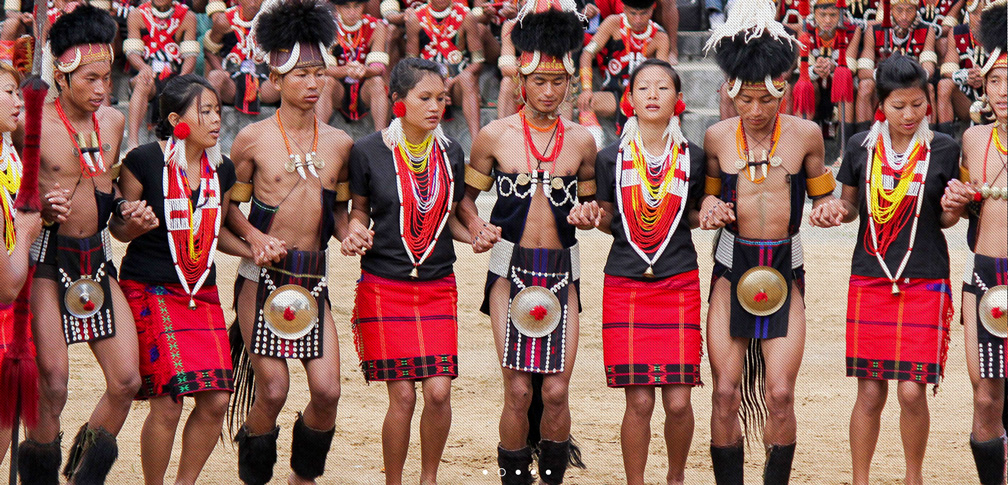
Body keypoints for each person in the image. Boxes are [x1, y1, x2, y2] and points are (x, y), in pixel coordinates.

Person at [455, 0, 597, 482]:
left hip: (564, 273)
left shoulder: (582, 141)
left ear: (569, 82)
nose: (550, 91)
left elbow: (594, 206)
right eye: (540, 81)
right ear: (521, 80)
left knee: (556, 391)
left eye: (559, 81)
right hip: (508, 271)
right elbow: (465, 202)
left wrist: (589, 213)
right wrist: (477, 228)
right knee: (517, 389)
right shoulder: (493, 136)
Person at [700, 0, 838, 481]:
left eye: (765, 99)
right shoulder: (716, 138)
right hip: (729, 268)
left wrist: (827, 210)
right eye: (745, 100)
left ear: (783, 89)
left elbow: (824, 196)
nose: (755, 110)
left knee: (780, 392)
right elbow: (706, 202)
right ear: (730, 93)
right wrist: (710, 210)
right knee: (723, 392)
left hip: (786, 268)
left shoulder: (807, 136)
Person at [18, 5, 156, 483]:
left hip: (97, 261)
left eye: (107, 77)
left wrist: (127, 216)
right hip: (43, 263)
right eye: (90, 79)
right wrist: (33, 207)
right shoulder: (29, 123)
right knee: (52, 387)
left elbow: (106, 196)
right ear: (61, 73)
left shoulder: (114, 123)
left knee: (126, 381)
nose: (101, 89)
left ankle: (83, 475)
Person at [812, 54, 962, 485]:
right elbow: (851, 207)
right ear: (881, 104)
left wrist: (955, 207)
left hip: (926, 275)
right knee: (870, 390)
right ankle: (861, 479)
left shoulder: (945, 150)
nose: (909, 115)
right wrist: (831, 212)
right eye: (898, 106)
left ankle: (913, 478)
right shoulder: (860, 146)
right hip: (871, 278)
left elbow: (946, 218)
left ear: (928, 101)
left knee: (913, 390)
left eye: (918, 104)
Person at [224, 0, 352, 483]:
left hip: (313, 282)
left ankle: (304, 475)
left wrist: (349, 232)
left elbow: (338, 212)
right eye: (300, 74)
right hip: (260, 280)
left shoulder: (340, 144)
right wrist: (255, 238)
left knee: (328, 392)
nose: (313, 84)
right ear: (275, 80)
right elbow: (227, 212)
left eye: (319, 73)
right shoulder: (252, 139)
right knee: (273, 390)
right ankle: (254, 473)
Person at [117, 74, 250, 485]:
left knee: (215, 399)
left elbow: (219, 229)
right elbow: (119, 228)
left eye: (217, 111)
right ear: (176, 119)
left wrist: (253, 247)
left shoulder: (221, 168)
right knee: (169, 402)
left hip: (200, 292)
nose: (215, 120)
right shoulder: (142, 160)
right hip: (149, 288)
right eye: (204, 111)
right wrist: (133, 224)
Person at [582, 58, 706, 485]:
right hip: (625, 283)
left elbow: (687, 215)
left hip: (678, 282)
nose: (653, 95)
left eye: (663, 88)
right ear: (628, 99)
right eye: (643, 88)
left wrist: (709, 210)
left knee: (678, 403)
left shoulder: (696, 157)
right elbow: (609, 217)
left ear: (679, 99)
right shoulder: (607, 158)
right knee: (638, 403)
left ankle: (676, 478)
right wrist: (589, 215)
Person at [344, 57, 466, 485]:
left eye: (441, 98)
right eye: (425, 98)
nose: (435, 106)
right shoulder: (367, 151)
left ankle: (428, 479)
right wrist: (354, 232)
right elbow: (358, 210)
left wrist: (477, 233)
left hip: (437, 284)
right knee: (402, 395)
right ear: (398, 102)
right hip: (384, 284)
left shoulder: (451, 151)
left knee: (438, 390)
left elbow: (450, 214)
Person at [956, 1, 1007, 482]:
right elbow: (957, 216)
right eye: (995, 81)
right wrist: (955, 201)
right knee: (986, 395)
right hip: (985, 275)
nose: (1004, 91)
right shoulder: (972, 141)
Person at [0, 61, 46, 470]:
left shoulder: (7, 155)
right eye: (9, 92)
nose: (19, 102)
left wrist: (39, 211)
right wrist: (29, 229)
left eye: (19, 91)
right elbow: (8, 286)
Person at [579, 0, 669, 149]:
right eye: (633, 13)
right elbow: (587, 54)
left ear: (652, 10)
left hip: (642, 97)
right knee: (585, 103)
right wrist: (587, 88)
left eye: (644, 13)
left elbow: (663, 76)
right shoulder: (613, 23)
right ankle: (596, 149)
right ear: (625, 9)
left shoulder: (660, 37)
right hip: (614, 93)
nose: (638, 20)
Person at [122, 0, 199, 150]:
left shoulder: (187, 16)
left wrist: (182, 77)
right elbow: (132, 52)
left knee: (183, 89)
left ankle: (181, 143)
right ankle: (132, 142)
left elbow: (190, 55)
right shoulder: (137, 14)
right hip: (147, 72)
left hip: (174, 72)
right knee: (143, 82)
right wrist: (143, 67)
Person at [405, 0, 484, 142]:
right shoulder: (416, 18)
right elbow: (411, 64)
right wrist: (437, 86)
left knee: (468, 78)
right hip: (427, 80)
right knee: (420, 86)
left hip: (458, 82)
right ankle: (425, 145)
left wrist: (451, 82)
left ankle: (477, 142)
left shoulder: (466, 16)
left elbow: (477, 62)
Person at [855, 0, 938, 131]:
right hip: (884, 83)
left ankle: (928, 137)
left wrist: (909, 77)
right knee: (865, 86)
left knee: (929, 88)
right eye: (899, 10)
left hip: (913, 83)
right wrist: (888, 76)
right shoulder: (875, 31)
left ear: (916, 10)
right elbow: (863, 71)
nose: (904, 16)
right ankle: (865, 138)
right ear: (891, 10)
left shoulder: (927, 30)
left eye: (909, 10)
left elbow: (929, 68)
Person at [796, 0, 861, 139]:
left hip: (840, 84)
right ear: (814, 13)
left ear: (841, 15)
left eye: (833, 15)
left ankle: (845, 147)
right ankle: (802, 141)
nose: (827, 20)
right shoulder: (805, 29)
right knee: (806, 85)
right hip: (816, 84)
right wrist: (816, 70)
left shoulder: (852, 30)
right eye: (822, 14)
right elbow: (802, 67)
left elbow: (850, 68)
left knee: (846, 86)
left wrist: (833, 68)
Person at [321, 0, 390, 130]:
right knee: (325, 81)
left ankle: (381, 138)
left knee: (377, 82)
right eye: (346, 7)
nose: (352, 12)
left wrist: (364, 70)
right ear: (337, 8)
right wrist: (347, 71)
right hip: (338, 88)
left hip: (364, 88)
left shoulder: (376, 27)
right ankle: (319, 135)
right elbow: (324, 68)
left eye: (357, 6)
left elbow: (379, 68)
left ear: (363, 6)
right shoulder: (329, 27)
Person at [204, 0, 279, 115]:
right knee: (215, 77)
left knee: (295, 78)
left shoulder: (274, 21)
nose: (253, 3)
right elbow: (209, 49)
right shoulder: (224, 21)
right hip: (232, 83)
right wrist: (221, 71)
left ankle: (295, 129)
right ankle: (212, 125)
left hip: (265, 84)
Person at [935, 0, 986, 133]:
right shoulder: (957, 32)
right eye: (975, 13)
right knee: (945, 85)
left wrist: (986, 76)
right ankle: (945, 141)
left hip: (998, 96)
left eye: (985, 14)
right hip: (968, 100)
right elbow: (947, 70)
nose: (980, 19)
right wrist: (966, 76)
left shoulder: (1003, 32)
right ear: (968, 14)